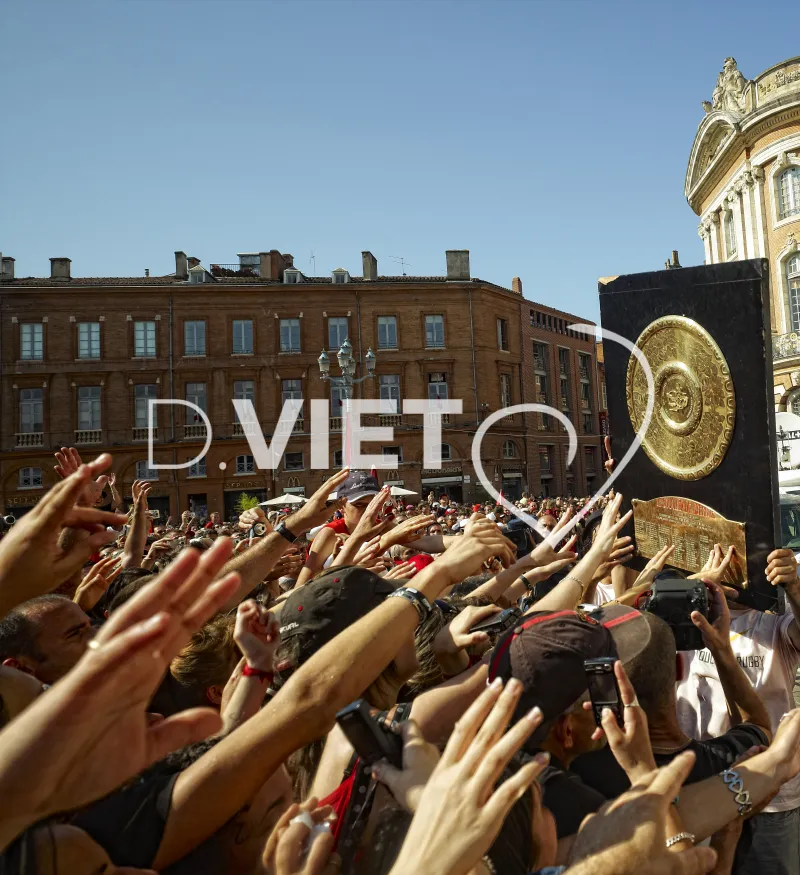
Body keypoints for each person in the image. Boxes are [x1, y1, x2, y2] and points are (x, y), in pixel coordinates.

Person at [677, 545, 800, 875]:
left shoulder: (774, 625)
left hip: (771, 795)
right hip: (705, 788)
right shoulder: (689, 620)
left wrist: (795, 588)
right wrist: (691, 589)